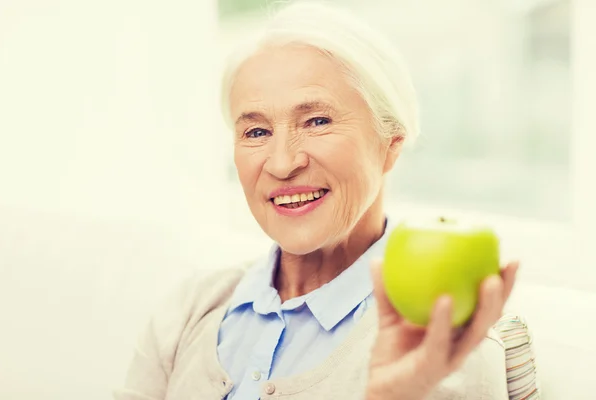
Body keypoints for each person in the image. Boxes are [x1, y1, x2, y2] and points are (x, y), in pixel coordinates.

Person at [115, 2, 518, 399]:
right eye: (256, 131)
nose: (282, 162)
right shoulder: (189, 309)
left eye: (317, 121)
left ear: (390, 143)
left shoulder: (444, 349)